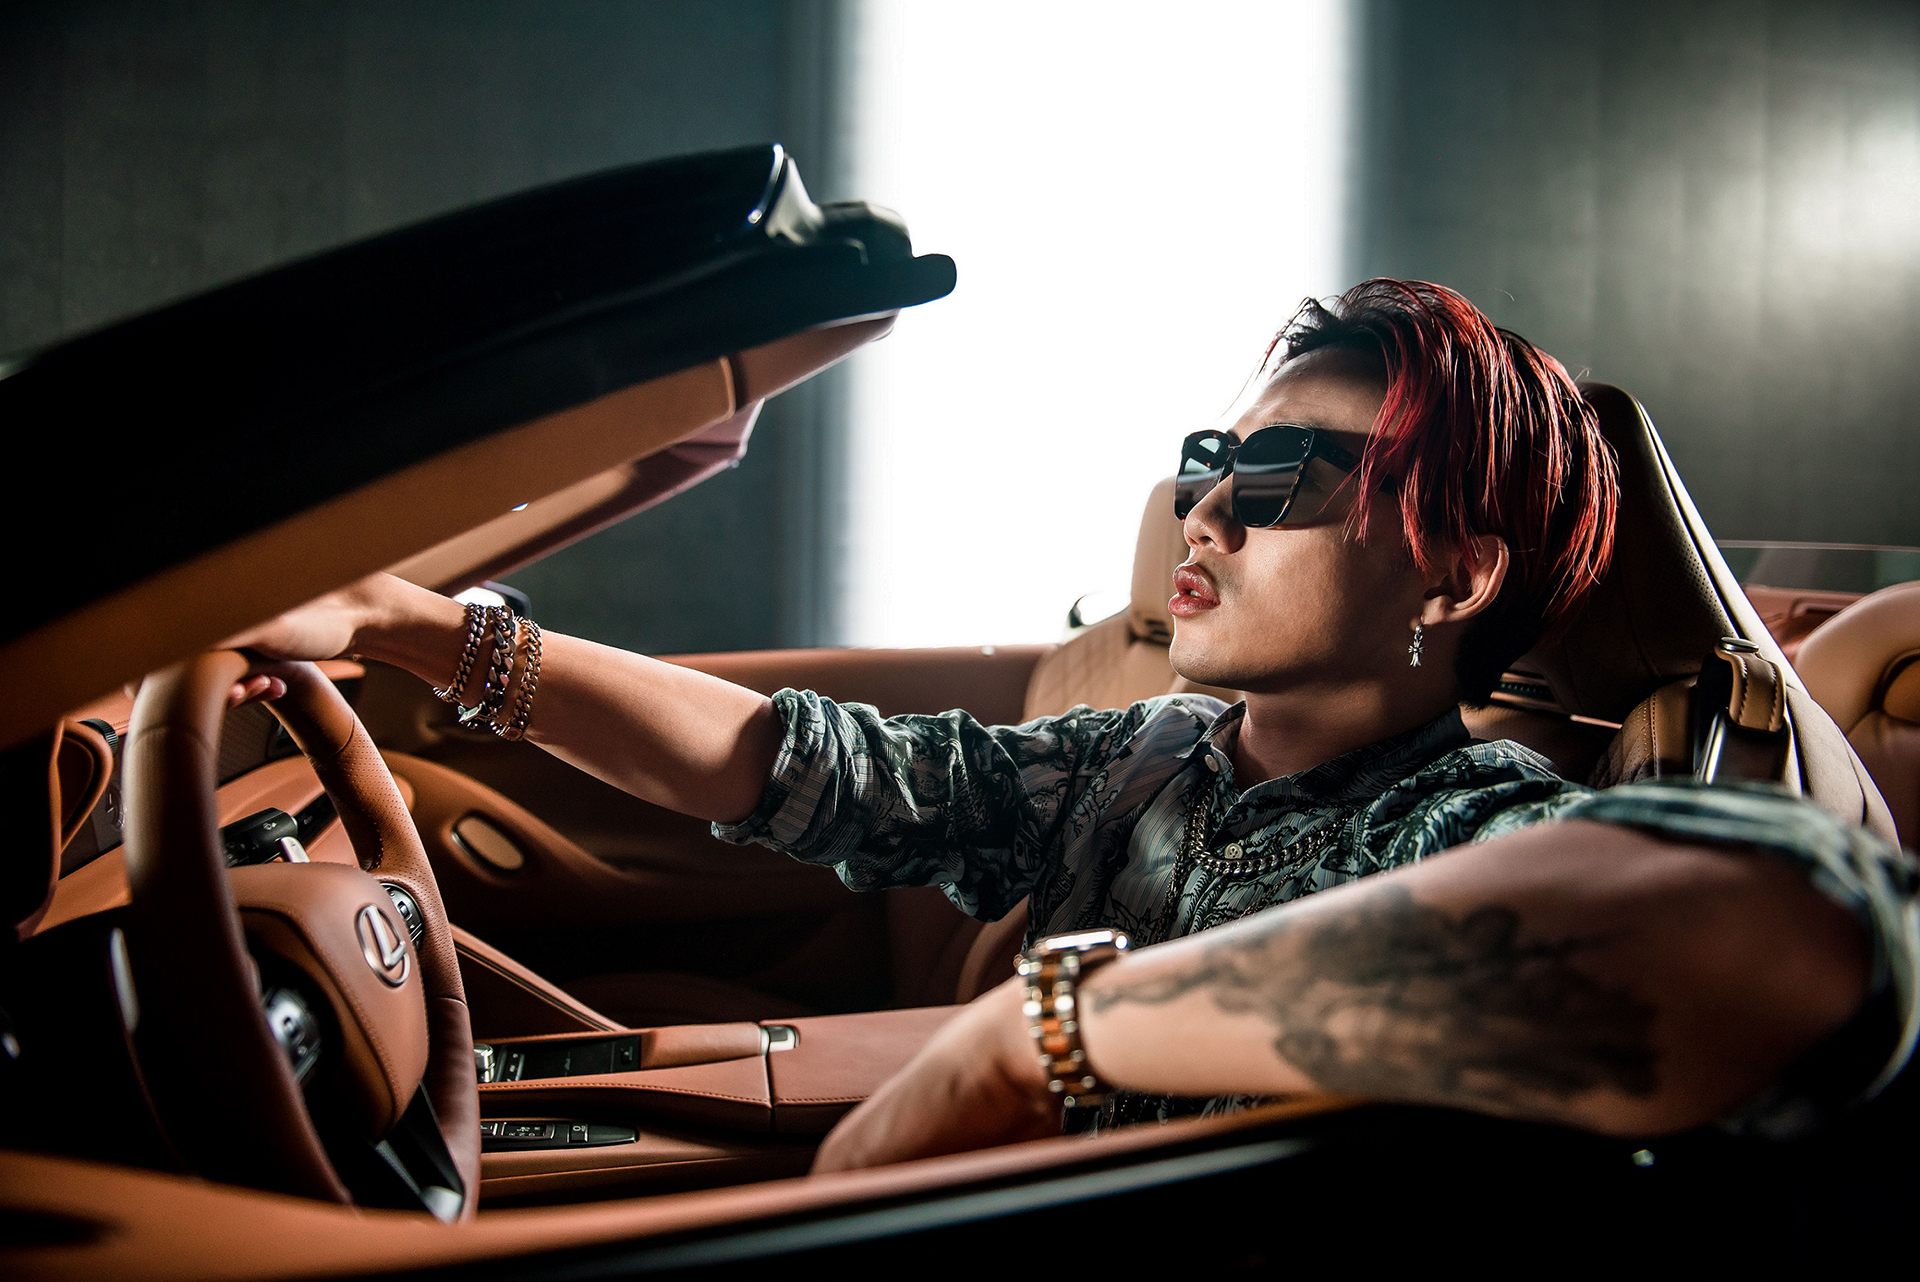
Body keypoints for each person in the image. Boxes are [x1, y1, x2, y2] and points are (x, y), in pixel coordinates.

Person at [228, 279, 1916, 1174]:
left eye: (1283, 473)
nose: (1207, 508)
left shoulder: (1472, 824)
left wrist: (1028, 1038)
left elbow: (1791, 930)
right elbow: (789, 764)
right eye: (1208, 460)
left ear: (1457, 572)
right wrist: (404, 625)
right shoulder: (1152, 755)